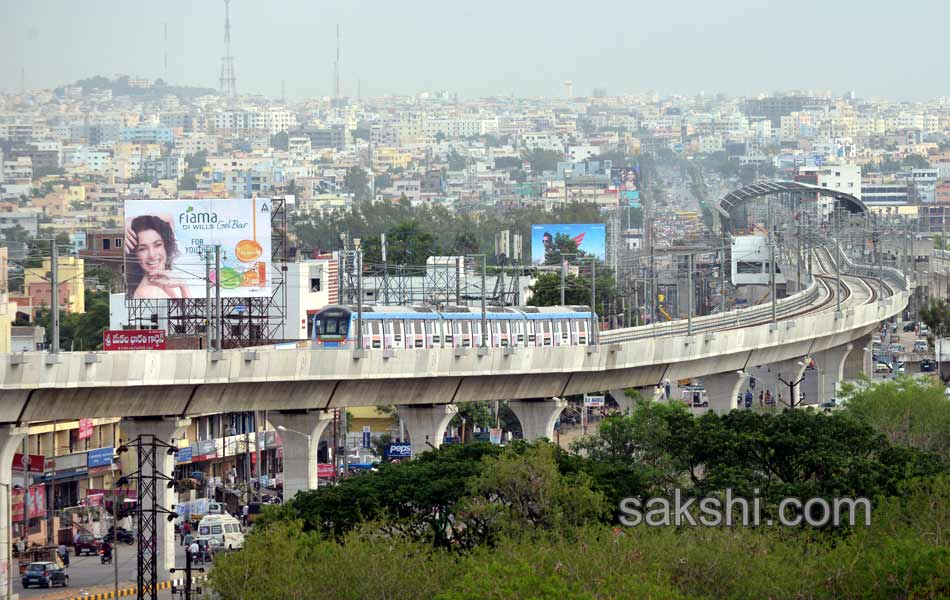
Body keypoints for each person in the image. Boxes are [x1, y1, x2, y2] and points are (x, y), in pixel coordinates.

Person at [125, 214, 191, 300]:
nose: (152, 255)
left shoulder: (163, 284)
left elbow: (169, 217)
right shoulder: (150, 292)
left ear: (166, 247)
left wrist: (130, 219)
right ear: (135, 254)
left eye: (157, 245)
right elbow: (190, 313)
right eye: (142, 249)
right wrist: (184, 286)